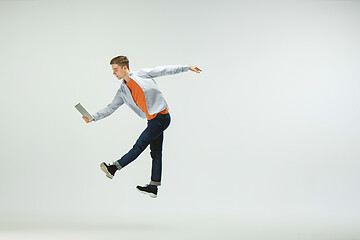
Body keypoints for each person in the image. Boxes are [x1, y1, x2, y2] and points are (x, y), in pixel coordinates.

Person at [83, 56, 202, 198]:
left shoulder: (141, 74)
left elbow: (164, 70)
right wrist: (94, 117)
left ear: (124, 68)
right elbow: (111, 107)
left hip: (161, 117)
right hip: (152, 121)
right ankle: (153, 186)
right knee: (156, 153)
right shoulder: (122, 91)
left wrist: (187, 67)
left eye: (116, 70)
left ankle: (114, 168)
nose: (114, 73)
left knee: (139, 146)